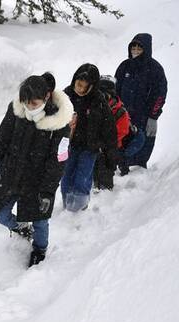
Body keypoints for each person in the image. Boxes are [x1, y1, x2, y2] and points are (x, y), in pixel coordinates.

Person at [0, 72, 73, 267]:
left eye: (33, 103)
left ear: (46, 97)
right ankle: (21, 227)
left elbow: (59, 160)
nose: (28, 107)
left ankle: (40, 249)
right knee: (0, 213)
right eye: (25, 102)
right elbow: (3, 141)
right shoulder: (16, 111)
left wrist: (47, 191)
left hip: (39, 181)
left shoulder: (60, 124)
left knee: (40, 221)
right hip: (12, 174)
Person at [61, 63, 117, 211]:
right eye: (78, 85)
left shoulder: (98, 101)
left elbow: (109, 127)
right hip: (69, 145)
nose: (80, 89)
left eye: (85, 87)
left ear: (92, 86)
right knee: (66, 175)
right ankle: (67, 205)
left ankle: (79, 208)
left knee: (83, 177)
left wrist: (109, 150)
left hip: (90, 147)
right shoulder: (65, 97)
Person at [115, 33, 168, 171]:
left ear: (147, 49)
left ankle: (137, 176)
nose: (136, 50)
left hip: (144, 116)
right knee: (122, 145)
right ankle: (121, 169)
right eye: (133, 47)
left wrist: (153, 116)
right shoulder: (124, 66)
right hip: (123, 115)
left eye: (140, 48)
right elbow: (115, 90)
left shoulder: (155, 69)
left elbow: (160, 94)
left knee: (142, 145)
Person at [93, 74, 131, 190]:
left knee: (106, 166)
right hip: (95, 144)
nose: (103, 97)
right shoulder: (95, 107)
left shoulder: (120, 111)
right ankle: (93, 184)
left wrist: (105, 141)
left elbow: (122, 131)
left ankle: (105, 189)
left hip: (112, 147)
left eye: (106, 94)